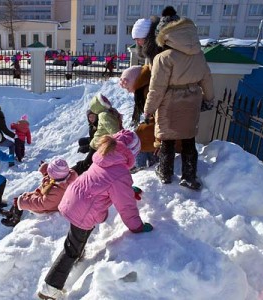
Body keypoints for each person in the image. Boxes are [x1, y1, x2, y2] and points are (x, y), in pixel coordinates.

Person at [37, 130, 153, 299]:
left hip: (75, 199)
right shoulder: (120, 171)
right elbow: (126, 207)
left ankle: (77, 253)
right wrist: (137, 227)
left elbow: (106, 181)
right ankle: (50, 288)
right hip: (83, 209)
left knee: (76, 239)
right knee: (71, 249)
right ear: (132, 152)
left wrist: (128, 189)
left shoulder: (105, 156)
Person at [143, 6, 214, 190]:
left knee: (167, 139)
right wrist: (209, 98)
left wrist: (148, 110)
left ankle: (165, 173)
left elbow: (156, 88)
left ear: (165, 35)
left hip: (171, 102)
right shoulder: (199, 54)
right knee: (189, 139)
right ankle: (189, 176)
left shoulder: (164, 58)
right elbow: (206, 77)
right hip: (192, 100)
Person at [0, 158, 78, 227]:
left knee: (21, 199)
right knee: (22, 197)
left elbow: (41, 204)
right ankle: (11, 213)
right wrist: (46, 168)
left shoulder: (56, 192)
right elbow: (58, 174)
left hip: (47, 208)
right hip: (47, 199)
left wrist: (22, 202)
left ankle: (14, 220)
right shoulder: (68, 175)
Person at [72, 93, 123, 175]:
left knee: (89, 164)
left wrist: (120, 137)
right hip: (99, 143)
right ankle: (70, 173)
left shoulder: (105, 114)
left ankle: (71, 174)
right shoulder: (107, 113)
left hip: (100, 143)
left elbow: (115, 129)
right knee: (88, 163)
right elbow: (114, 129)